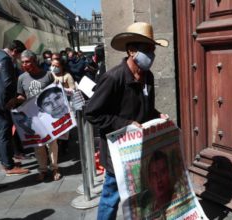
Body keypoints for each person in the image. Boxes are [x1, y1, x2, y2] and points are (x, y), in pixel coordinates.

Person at [84, 22, 169, 219]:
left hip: (140, 150)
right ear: (131, 51)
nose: (152, 55)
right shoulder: (114, 78)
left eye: (153, 50)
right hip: (118, 152)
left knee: (140, 194)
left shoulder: (147, 76)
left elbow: (145, 109)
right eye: (147, 50)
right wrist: (124, 125)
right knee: (111, 197)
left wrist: (158, 116)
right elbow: (92, 113)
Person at [16, 50, 61, 181]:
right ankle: (42, 169)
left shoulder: (47, 75)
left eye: (27, 61)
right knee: (38, 145)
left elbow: (56, 93)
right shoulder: (22, 78)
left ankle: (54, 168)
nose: (24, 64)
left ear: (34, 61)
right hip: (33, 117)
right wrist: (16, 100)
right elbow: (21, 95)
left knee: (52, 143)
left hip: (48, 115)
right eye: (23, 62)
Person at [0, 40, 29, 176]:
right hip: (2, 101)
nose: (17, 58)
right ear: (15, 51)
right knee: (4, 133)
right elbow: (8, 82)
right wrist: (12, 99)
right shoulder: (5, 59)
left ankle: (5, 161)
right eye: (18, 55)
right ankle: (9, 166)